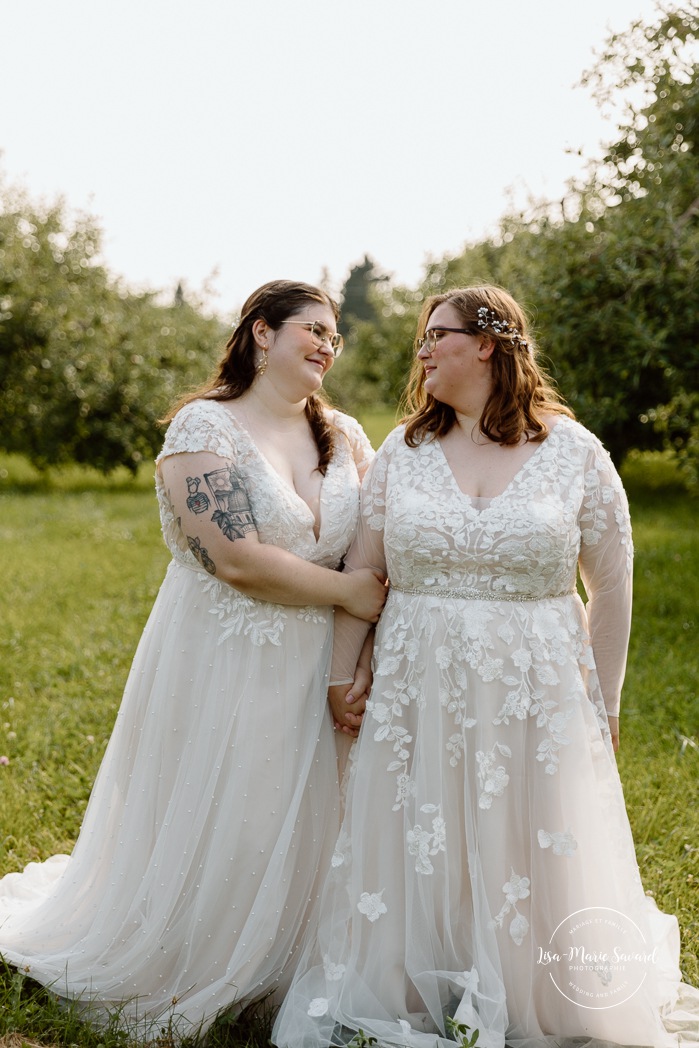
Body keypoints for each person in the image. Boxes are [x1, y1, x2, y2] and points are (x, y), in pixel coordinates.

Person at [273, 285, 699, 1048]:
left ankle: (535, 984)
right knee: (424, 829)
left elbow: (612, 586)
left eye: (437, 335)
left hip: (534, 685)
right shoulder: (404, 450)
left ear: (490, 345)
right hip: (417, 681)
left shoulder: (574, 452)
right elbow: (365, 575)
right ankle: (411, 978)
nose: (423, 351)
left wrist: (604, 705)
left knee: (528, 835)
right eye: (421, 339)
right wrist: (343, 676)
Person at [0, 280, 386, 1037]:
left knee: (306, 812)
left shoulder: (343, 436)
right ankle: (197, 955)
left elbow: (374, 541)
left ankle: (286, 961)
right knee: (229, 807)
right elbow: (236, 558)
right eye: (310, 329)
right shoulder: (202, 429)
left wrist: (358, 640)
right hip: (223, 653)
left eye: (334, 337)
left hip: (318, 660)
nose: (325, 346)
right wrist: (349, 593)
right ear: (259, 335)